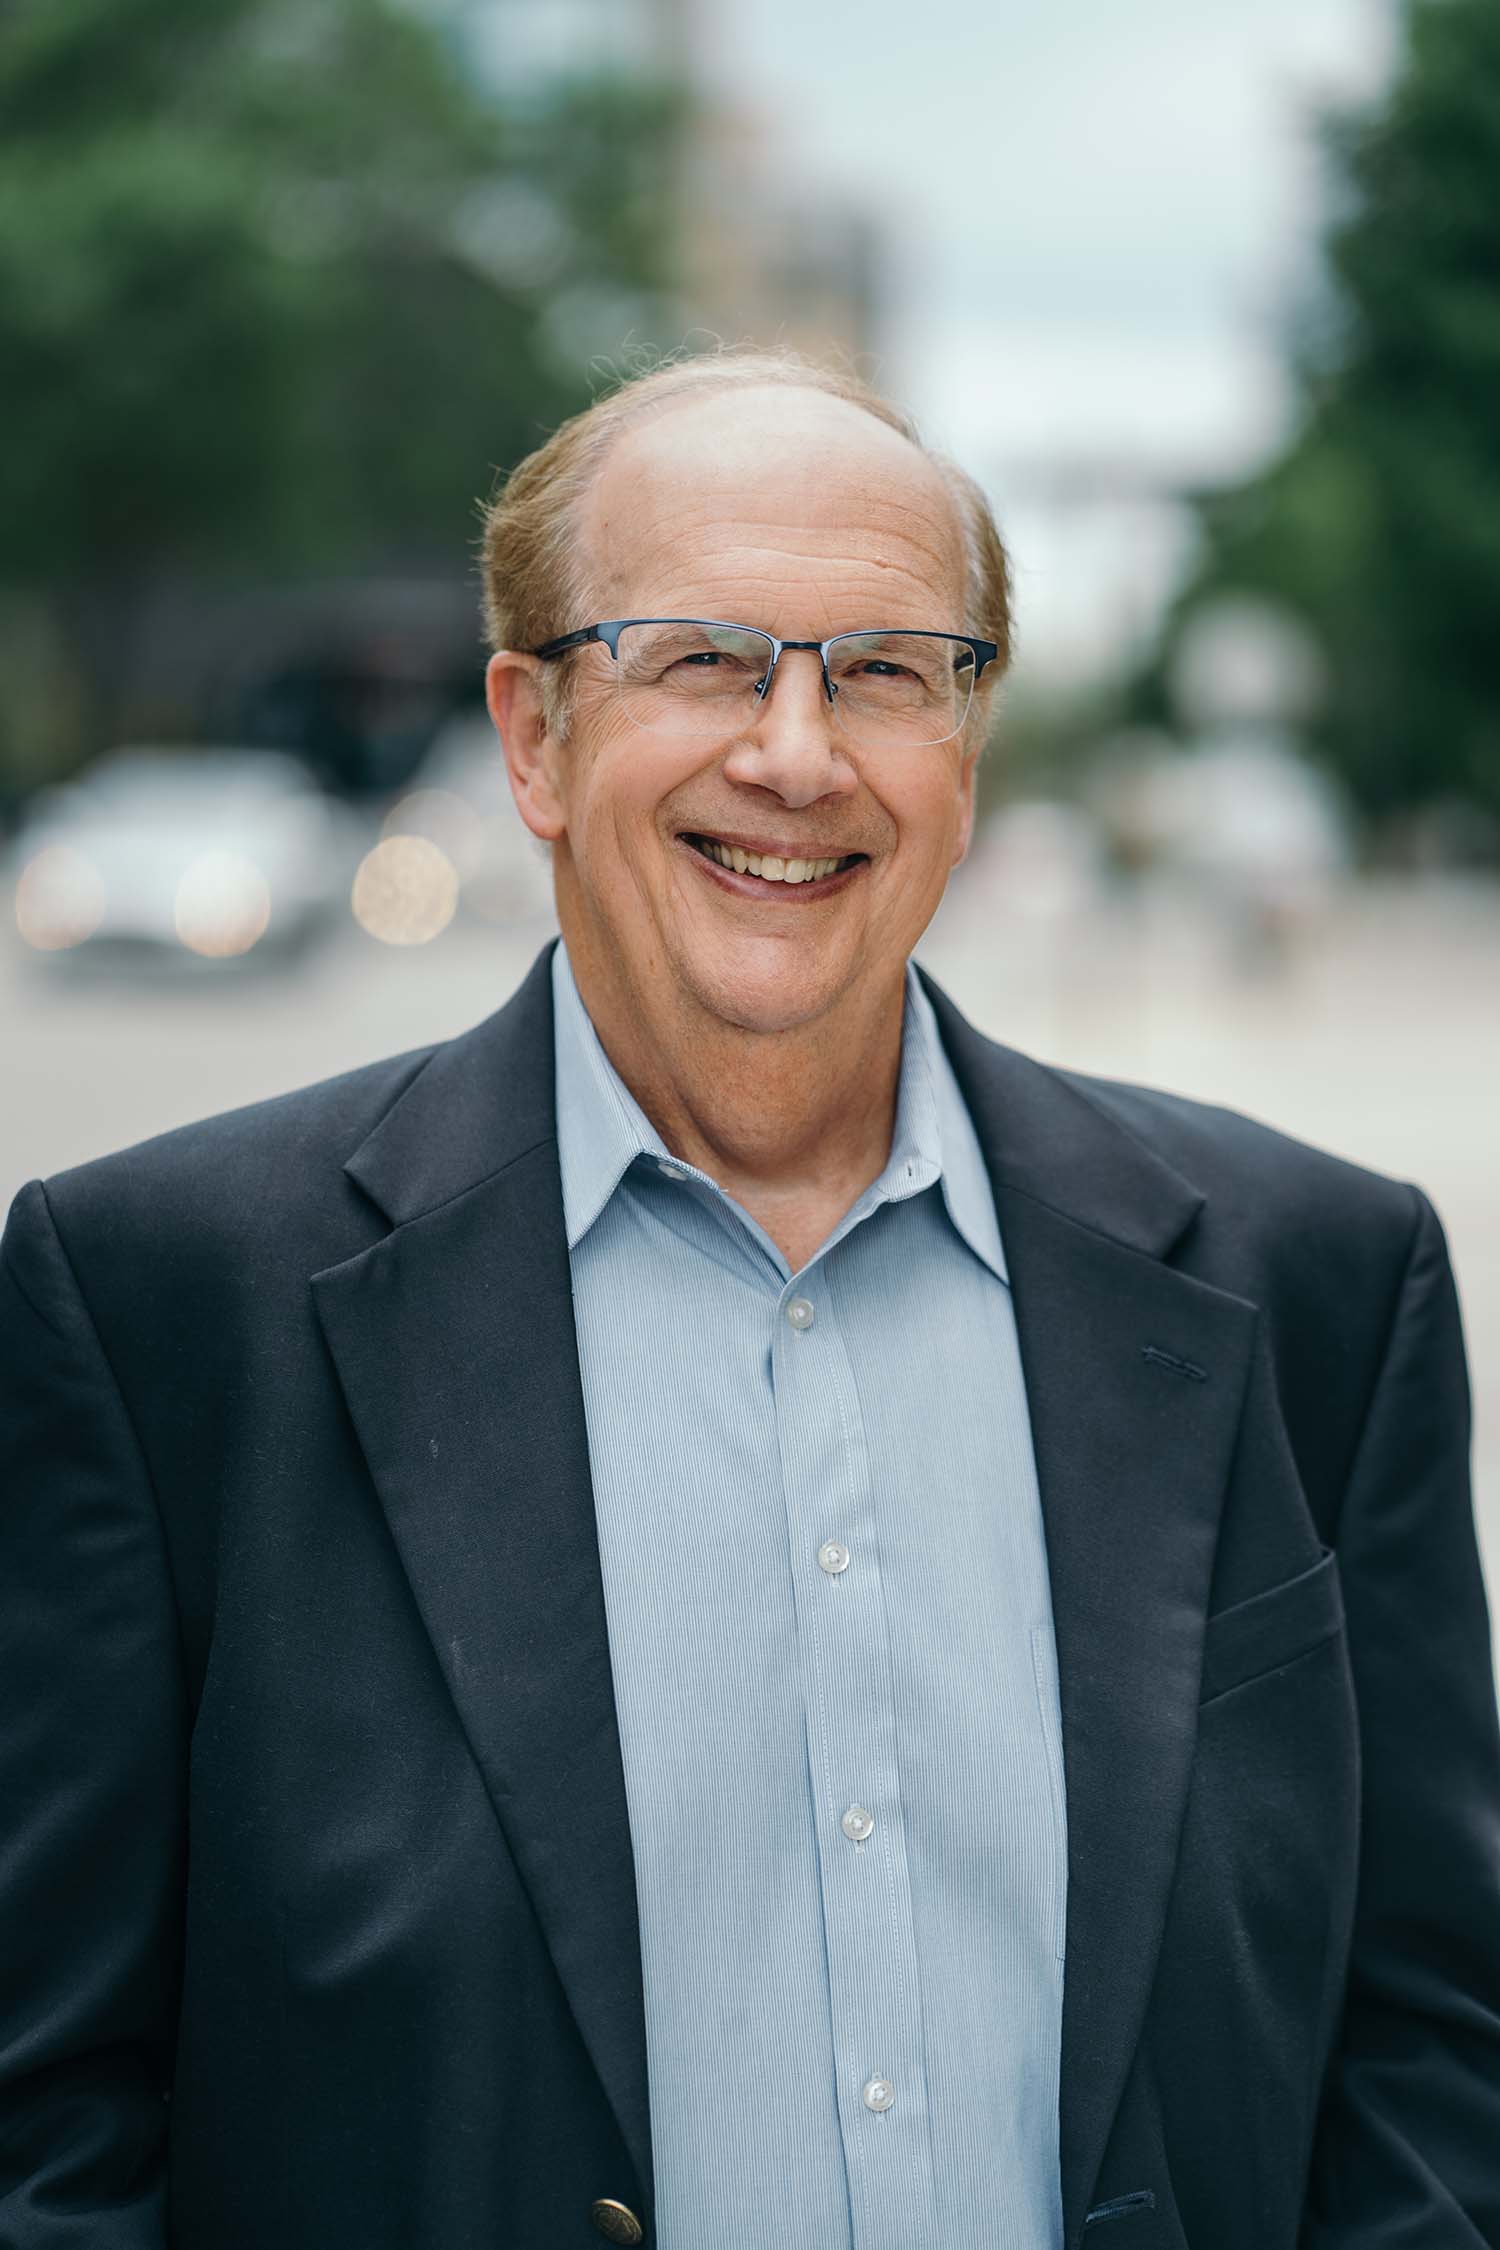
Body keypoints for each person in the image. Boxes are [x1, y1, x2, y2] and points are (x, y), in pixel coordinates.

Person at [2, 349, 1497, 2250]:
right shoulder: (159, 1307)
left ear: (969, 752)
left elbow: (1430, 2039)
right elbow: (52, 2121)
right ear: (532, 737)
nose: (796, 753)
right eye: (703, 656)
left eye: (885, 669)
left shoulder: (1324, 1284)